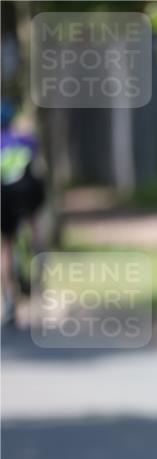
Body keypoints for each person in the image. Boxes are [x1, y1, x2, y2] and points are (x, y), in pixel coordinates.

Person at [1, 99, 45, 325]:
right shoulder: (26, 139)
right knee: (34, 220)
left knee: (6, 245)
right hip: (29, 190)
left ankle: (8, 300)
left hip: (5, 194)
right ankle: (40, 255)